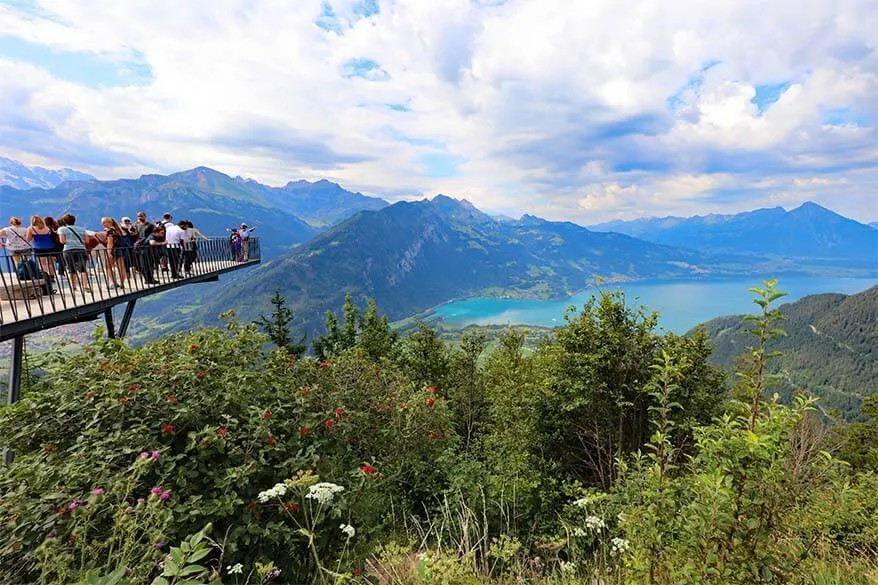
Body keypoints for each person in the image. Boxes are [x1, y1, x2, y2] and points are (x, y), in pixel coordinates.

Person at [57, 214, 91, 293]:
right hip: (81, 250)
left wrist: (70, 241)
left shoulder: (62, 229)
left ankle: (74, 287)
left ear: (64, 221)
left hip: (68, 250)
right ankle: (85, 286)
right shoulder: (82, 229)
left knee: (71, 269)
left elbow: (62, 241)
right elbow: (87, 241)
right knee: (83, 269)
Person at [101, 217, 130, 289]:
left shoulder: (110, 232)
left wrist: (109, 252)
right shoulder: (118, 230)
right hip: (121, 250)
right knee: (121, 267)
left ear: (109, 223)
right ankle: (122, 283)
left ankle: (114, 283)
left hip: (114, 250)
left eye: (104, 222)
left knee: (108, 267)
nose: (103, 224)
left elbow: (110, 243)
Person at [26, 215, 56, 280]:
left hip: (38, 247)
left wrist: (34, 237)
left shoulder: (31, 228)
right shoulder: (47, 228)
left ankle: (45, 276)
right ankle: (52, 277)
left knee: (42, 263)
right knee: (51, 263)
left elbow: (28, 239)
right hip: (50, 247)